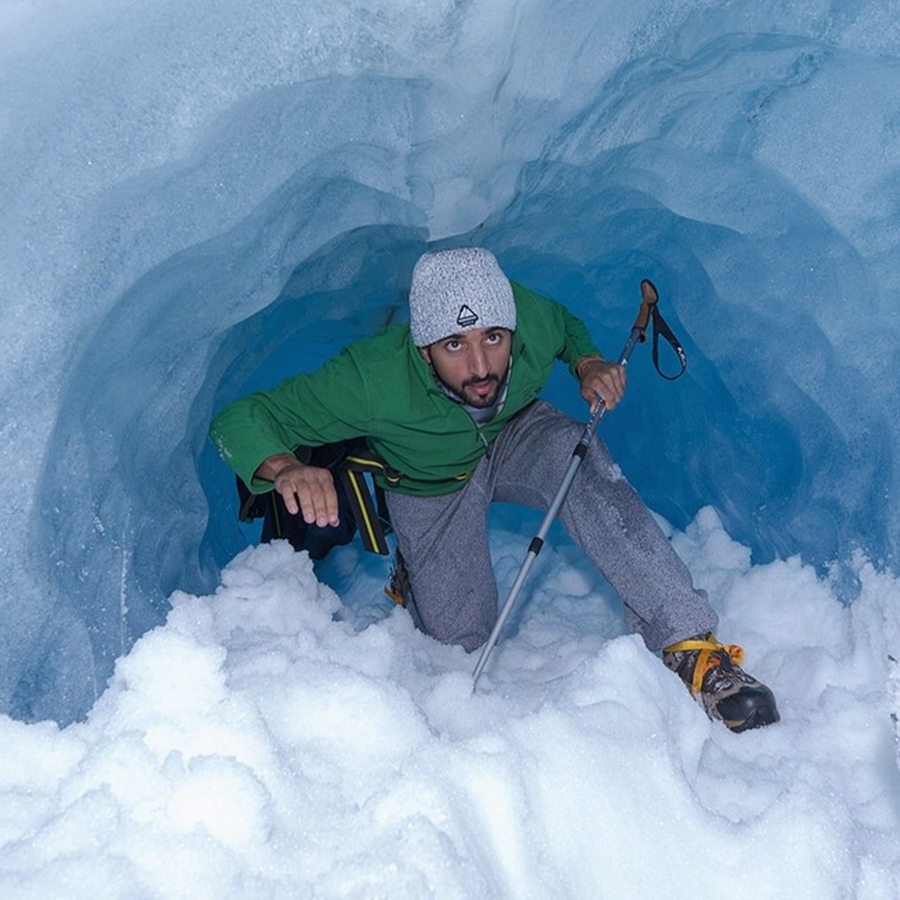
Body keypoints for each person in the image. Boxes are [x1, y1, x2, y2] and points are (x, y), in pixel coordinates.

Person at [210, 247, 779, 732]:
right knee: (460, 639)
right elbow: (240, 418)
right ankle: (415, 564)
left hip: (516, 435)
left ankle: (693, 646)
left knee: (580, 459)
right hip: (430, 481)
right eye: (454, 345)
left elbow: (564, 325)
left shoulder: (529, 320)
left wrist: (585, 364)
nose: (482, 366)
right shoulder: (368, 378)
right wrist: (284, 466)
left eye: (493, 337)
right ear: (423, 346)